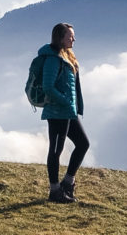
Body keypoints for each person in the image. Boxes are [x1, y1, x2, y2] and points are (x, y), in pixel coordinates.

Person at [38, 22, 90, 203]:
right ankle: (55, 192)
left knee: (83, 144)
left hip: (68, 112)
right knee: (55, 150)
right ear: (60, 37)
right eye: (70, 36)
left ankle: (67, 183)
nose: (74, 39)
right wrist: (66, 102)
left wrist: (72, 106)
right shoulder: (53, 59)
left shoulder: (67, 56)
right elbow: (48, 87)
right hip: (57, 112)